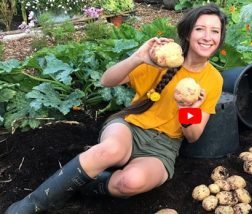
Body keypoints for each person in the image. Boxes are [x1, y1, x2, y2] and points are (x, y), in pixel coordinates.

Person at [5, 3, 228, 213]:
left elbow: (192, 136)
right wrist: (137, 58)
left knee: (130, 182)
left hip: (164, 146)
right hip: (131, 125)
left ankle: (85, 183)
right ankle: (31, 204)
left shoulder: (214, 80)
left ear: (220, 38)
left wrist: (186, 110)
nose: (207, 37)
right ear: (188, 33)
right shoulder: (163, 60)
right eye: (200, 29)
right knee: (111, 150)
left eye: (214, 31)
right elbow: (107, 80)